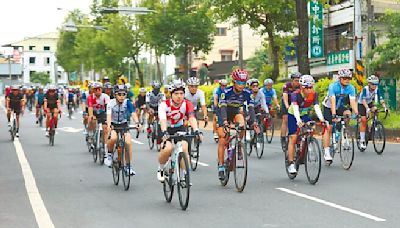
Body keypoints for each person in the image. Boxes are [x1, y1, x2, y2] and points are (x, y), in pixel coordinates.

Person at [156, 79, 201, 182]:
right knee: (167, 148)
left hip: (179, 127)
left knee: (184, 148)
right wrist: (164, 132)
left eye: (181, 93)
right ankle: (161, 168)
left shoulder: (187, 103)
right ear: (171, 94)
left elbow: (191, 117)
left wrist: (196, 130)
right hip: (166, 128)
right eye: (176, 93)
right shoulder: (164, 105)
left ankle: (185, 175)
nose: (179, 96)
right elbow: (162, 120)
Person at [217, 69, 257, 180]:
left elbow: (251, 108)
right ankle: (220, 166)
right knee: (223, 138)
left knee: (242, 124)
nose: (241, 85)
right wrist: (225, 122)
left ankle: (239, 144)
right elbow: (223, 108)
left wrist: (254, 122)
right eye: (239, 83)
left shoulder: (247, 93)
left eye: (244, 83)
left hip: (235, 112)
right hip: (223, 113)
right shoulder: (226, 92)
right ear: (234, 82)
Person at [286, 75, 326, 174]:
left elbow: (316, 107)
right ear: (302, 88)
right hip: (293, 115)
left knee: (311, 127)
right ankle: (291, 163)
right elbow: (295, 108)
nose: (310, 90)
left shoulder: (314, 94)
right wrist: (298, 120)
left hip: (304, 115)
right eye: (307, 88)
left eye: (311, 87)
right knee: (293, 138)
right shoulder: (295, 94)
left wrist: (321, 119)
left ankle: (306, 144)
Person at [322, 68, 359, 162]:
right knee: (329, 128)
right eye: (345, 78)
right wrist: (333, 114)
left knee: (348, 113)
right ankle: (326, 152)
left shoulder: (351, 88)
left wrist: (357, 113)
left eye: (349, 78)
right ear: (340, 78)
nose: (347, 80)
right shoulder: (333, 86)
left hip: (340, 107)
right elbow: (332, 100)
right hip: (329, 107)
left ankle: (343, 132)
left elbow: (352, 102)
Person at [105, 84, 140, 175]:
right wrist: (109, 126)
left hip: (124, 124)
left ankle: (128, 166)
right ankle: (109, 155)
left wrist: (137, 123)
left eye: (123, 94)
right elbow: (108, 116)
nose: (121, 97)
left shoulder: (127, 102)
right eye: (119, 94)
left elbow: (133, 113)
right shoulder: (111, 103)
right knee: (113, 138)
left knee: (128, 142)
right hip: (113, 124)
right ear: (115, 95)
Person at [357, 75, 387, 149]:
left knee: (376, 109)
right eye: (373, 84)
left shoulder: (377, 89)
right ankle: (362, 140)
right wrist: (367, 108)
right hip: (361, 103)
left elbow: (381, 99)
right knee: (364, 120)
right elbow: (363, 100)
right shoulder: (365, 89)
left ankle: (373, 123)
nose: (374, 86)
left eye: (376, 84)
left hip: (369, 102)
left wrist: (385, 107)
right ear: (369, 84)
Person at [87, 82, 110, 154]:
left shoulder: (105, 97)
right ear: (93, 90)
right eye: (95, 89)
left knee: (105, 128)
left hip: (102, 113)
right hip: (94, 112)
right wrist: (91, 116)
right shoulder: (90, 97)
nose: (97, 91)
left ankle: (105, 146)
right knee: (91, 120)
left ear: (101, 89)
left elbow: (108, 108)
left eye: (99, 89)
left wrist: (108, 117)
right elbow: (90, 107)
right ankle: (91, 134)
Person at [280, 72, 301, 149]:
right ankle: (283, 138)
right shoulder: (287, 86)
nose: (297, 82)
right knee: (285, 119)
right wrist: (287, 107)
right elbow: (285, 97)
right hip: (287, 101)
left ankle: (298, 138)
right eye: (296, 80)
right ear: (292, 81)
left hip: (295, 102)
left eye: (299, 80)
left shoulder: (301, 86)